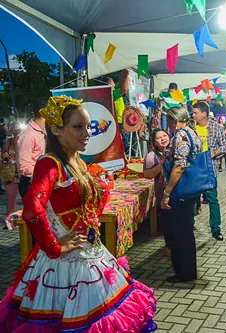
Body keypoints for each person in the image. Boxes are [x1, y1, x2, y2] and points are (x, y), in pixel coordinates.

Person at [0, 96, 157, 332]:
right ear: (56, 130)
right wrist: (54, 246)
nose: (87, 133)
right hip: (67, 262)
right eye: (77, 127)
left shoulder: (76, 160)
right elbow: (32, 208)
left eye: (87, 126)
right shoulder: (50, 163)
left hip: (89, 251)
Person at [161, 107, 203, 283]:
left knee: (181, 233)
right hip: (191, 189)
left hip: (181, 190)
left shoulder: (181, 135)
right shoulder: (193, 133)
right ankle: (187, 271)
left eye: (169, 122)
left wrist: (167, 192)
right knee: (186, 231)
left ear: (173, 121)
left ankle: (184, 273)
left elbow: (179, 166)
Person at [192, 102, 226, 241]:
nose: (193, 115)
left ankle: (215, 228)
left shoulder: (216, 128)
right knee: (191, 199)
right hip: (194, 169)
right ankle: (190, 225)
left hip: (209, 169)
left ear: (204, 114)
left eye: (195, 112)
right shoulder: (191, 128)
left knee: (212, 199)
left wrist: (214, 153)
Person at [143, 128, 171, 256]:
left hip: (177, 192)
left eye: (164, 135)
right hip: (163, 193)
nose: (163, 139)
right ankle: (169, 246)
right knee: (167, 221)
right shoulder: (152, 156)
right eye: (159, 138)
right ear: (154, 142)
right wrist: (160, 166)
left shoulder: (175, 150)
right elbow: (147, 174)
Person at [16, 101, 47, 198]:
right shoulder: (28, 134)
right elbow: (24, 167)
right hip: (30, 183)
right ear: (44, 113)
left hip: (40, 180)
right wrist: (46, 173)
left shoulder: (42, 132)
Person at [2, 121, 22, 215]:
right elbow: (3, 155)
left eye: (17, 129)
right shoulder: (8, 141)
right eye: (13, 128)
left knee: (28, 197)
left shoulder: (24, 140)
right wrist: (5, 155)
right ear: (10, 131)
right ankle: (11, 219)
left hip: (24, 172)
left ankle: (28, 220)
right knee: (11, 197)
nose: (15, 131)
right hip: (10, 172)